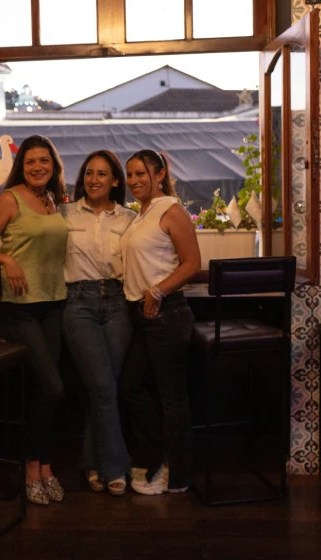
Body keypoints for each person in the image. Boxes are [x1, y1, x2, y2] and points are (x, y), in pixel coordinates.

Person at [0, 134, 68, 506]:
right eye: (30, 162)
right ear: (20, 167)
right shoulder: (10, 200)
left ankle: (44, 465)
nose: (38, 167)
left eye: (44, 160)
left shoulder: (53, 200)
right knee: (53, 387)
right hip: (18, 308)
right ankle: (31, 468)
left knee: (47, 392)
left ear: (53, 165)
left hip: (54, 303)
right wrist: (8, 260)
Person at [120, 150, 200, 496]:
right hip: (142, 315)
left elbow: (193, 262)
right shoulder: (142, 213)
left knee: (172, 399)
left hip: (167, 313)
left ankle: (178, 474)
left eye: (141, 174)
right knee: (131, 387)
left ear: (160, 173)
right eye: (130, 175)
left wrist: (157, 291)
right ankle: (159, 456)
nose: (134, 181)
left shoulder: (171, 210)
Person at [59, 151, 135, 496]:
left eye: (102, 174)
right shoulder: (64, 213)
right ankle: (115, 468)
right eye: (89, 173)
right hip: (78, 302)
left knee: (103, 389)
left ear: (115, 181)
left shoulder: (131, 219)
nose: (94, 180)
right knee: (103, 388)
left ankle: (92, 464)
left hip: (119, 302)